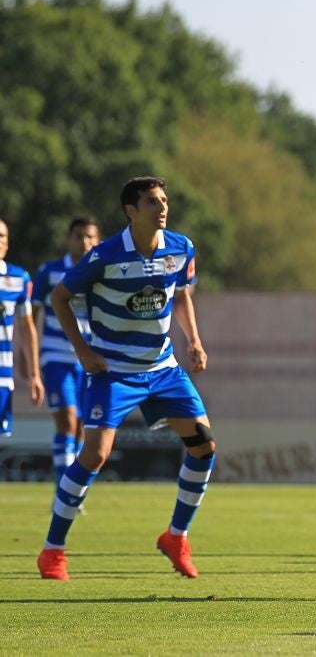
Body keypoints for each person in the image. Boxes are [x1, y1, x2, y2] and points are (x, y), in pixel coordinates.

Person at [37, 177, 214, 581]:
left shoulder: (181, 247)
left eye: (164, 200)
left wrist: (194, 341)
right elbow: (60, 298)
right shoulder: (105, 255)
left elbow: (182, 291)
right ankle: (52, 551)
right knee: (95, 455)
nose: (162, 207)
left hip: (163, 368)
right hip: (113, 370)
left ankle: (176, 537)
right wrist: (83, 350)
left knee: (204, 448)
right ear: (131, 211)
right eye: (152, 202)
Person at [32, 217, 101, 484]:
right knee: (68, 420)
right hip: (55, 355)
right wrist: (31, 359)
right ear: (68, 239)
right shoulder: (49, 272)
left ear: (97, 240)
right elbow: (31, 316)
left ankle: (73, 488)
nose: (85, 242)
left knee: (85, 428)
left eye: (90, 237)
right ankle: (64, 487)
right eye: (79, 236)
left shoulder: (100, 272)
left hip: (90, 358)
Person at [1, 217, 45, 436]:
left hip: (2, 375)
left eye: (2, 236)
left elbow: (27, 328)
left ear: (8, 243)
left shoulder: (18, 278)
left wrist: (34, 375)